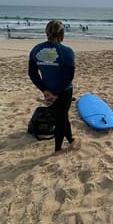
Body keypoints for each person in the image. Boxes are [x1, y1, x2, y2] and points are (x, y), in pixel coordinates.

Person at [28, 20, 76, 154]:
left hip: (48, 91)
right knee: (61, 119)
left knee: (62, 116)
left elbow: (32, 73)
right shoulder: (67, 52)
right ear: (61, 34)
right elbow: (69, 76)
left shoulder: (36, 50)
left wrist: (44, 90)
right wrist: (56, 93)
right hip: (63, 91)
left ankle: (71, 140)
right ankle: (58, 149)